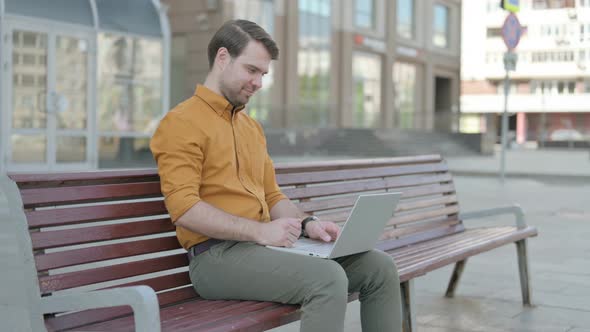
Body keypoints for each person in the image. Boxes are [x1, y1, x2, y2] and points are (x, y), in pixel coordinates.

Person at [150, 19, 402, 332]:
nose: (258, 82)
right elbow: (184, 208)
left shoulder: (251, 128)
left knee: (379, 267)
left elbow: (272, 195)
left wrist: (309, 225)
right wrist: (260, 232)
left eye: (263, 74)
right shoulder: (181, 123)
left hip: (260, 250)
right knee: (327, 279)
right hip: (215, 258)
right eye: (251, 70)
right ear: (223, 58)